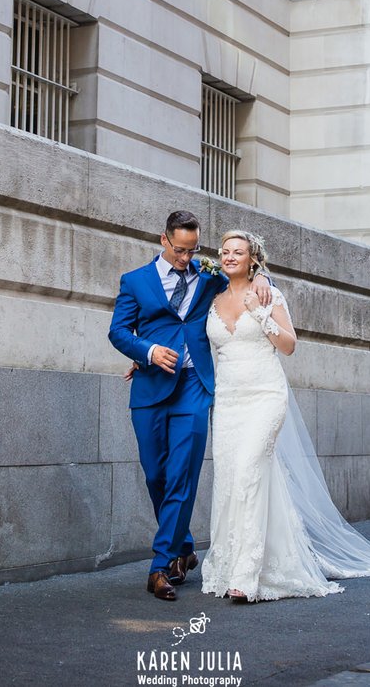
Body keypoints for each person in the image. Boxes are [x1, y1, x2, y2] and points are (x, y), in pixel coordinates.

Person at [199, 229, 370, 602]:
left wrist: (260, 314)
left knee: (248, 470)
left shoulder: (267, 293)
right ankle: (235, 563)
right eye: (225, 251)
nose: (230, 257)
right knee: (231, 479)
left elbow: (290, 345)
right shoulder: (209, 298)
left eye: (238, 252)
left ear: (252, 260)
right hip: (228, 401)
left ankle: (246, 578)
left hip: (265, 395)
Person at [107, 211, 270, 602]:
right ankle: (182, 545)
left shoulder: (209, 274)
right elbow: (117, 331)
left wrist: (262, 277)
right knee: (156, 476)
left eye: (192, 250)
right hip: (150, 387)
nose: (186, 258)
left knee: (182, 474)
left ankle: (159, 566)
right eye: (180, 250)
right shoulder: (135, 281)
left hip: (194, 386)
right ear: (164, 240)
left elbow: (246, 276)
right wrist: (146, 350)